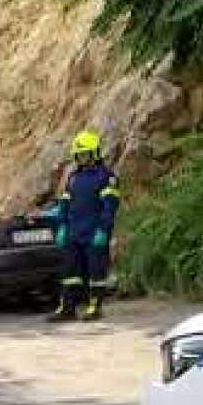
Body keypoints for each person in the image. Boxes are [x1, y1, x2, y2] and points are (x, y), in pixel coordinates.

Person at [47, 130, 121, 322]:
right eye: (79, 155)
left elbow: (109, 207)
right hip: (73, 232)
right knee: (70, 272)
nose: (81, 158)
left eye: (85, 154)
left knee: (96, 271)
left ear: (95, 153)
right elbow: (64, 203)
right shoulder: (73, 178)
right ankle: (67, 308)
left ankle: (94, 306)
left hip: (93, 232)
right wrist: (62, 226)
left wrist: (103, 230)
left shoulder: (106, 177)